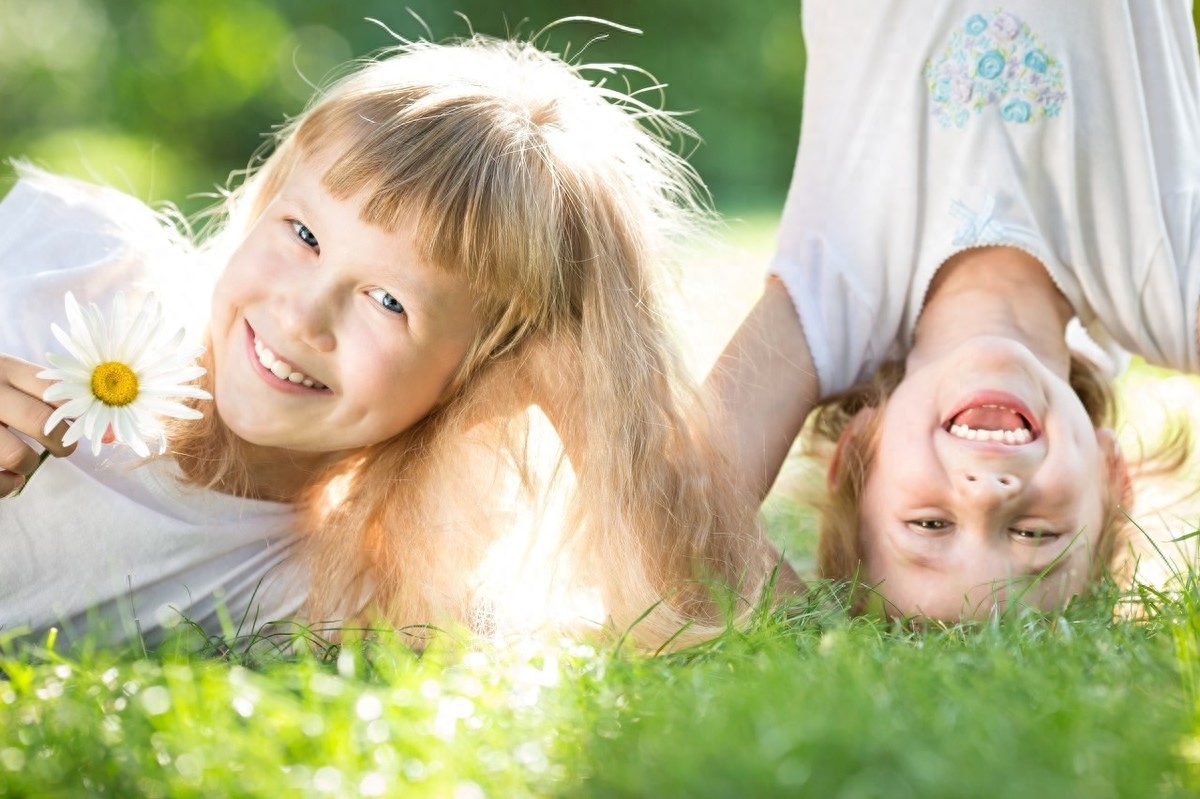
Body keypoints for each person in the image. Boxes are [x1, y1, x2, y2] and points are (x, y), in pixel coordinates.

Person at [0, 31, 779, 651]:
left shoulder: (329, 586)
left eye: (387, 300)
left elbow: (699, 606)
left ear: (482, 374)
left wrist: (581, 389)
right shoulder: (73, 261)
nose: (303, 315)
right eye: (303, 232)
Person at [708, 1, 1200, 620]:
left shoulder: (833, 304)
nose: (989, 493)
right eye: (1035, 535)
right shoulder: (1173, 294)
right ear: (1111, 477)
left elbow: (666, 523)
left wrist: (809, 631)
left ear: (856, 454)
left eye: (931, 523)